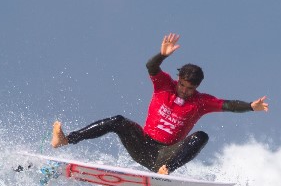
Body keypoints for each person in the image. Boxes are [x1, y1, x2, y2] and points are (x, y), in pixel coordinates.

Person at [51, 33, 268, 175]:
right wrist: (161, 55)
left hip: (166, 154)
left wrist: (250, 106)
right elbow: (150, 66)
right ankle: (67, 139)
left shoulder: (201, 102)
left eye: (189, 88)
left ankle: (166, 170)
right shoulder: (163, 85)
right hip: (142, 145)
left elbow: (228, 105)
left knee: (202, 137)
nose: (184, 90)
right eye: (182, 85)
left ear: (196, 87)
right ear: (178, 80)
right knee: (118, 121)